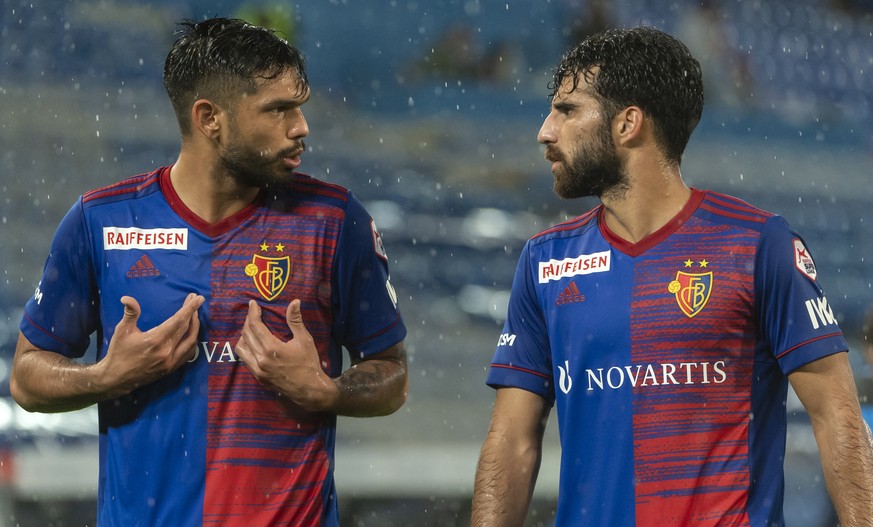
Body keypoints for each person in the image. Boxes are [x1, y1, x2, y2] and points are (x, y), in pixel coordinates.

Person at [11, 17, 408, 527]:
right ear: (209, 118)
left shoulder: (333, 221)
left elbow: (392, 376)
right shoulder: (101, 222)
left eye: (299, 108)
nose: (301, 127)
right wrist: (106, 376)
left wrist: (327, 391)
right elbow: (27, 378)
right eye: (278, 110)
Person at [471, 26, 873, 526]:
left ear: (628, 124)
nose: (545, 131)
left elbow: (837, 415)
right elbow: (512, 440)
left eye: (567, 110)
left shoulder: (758, 245)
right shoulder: (544, 261)